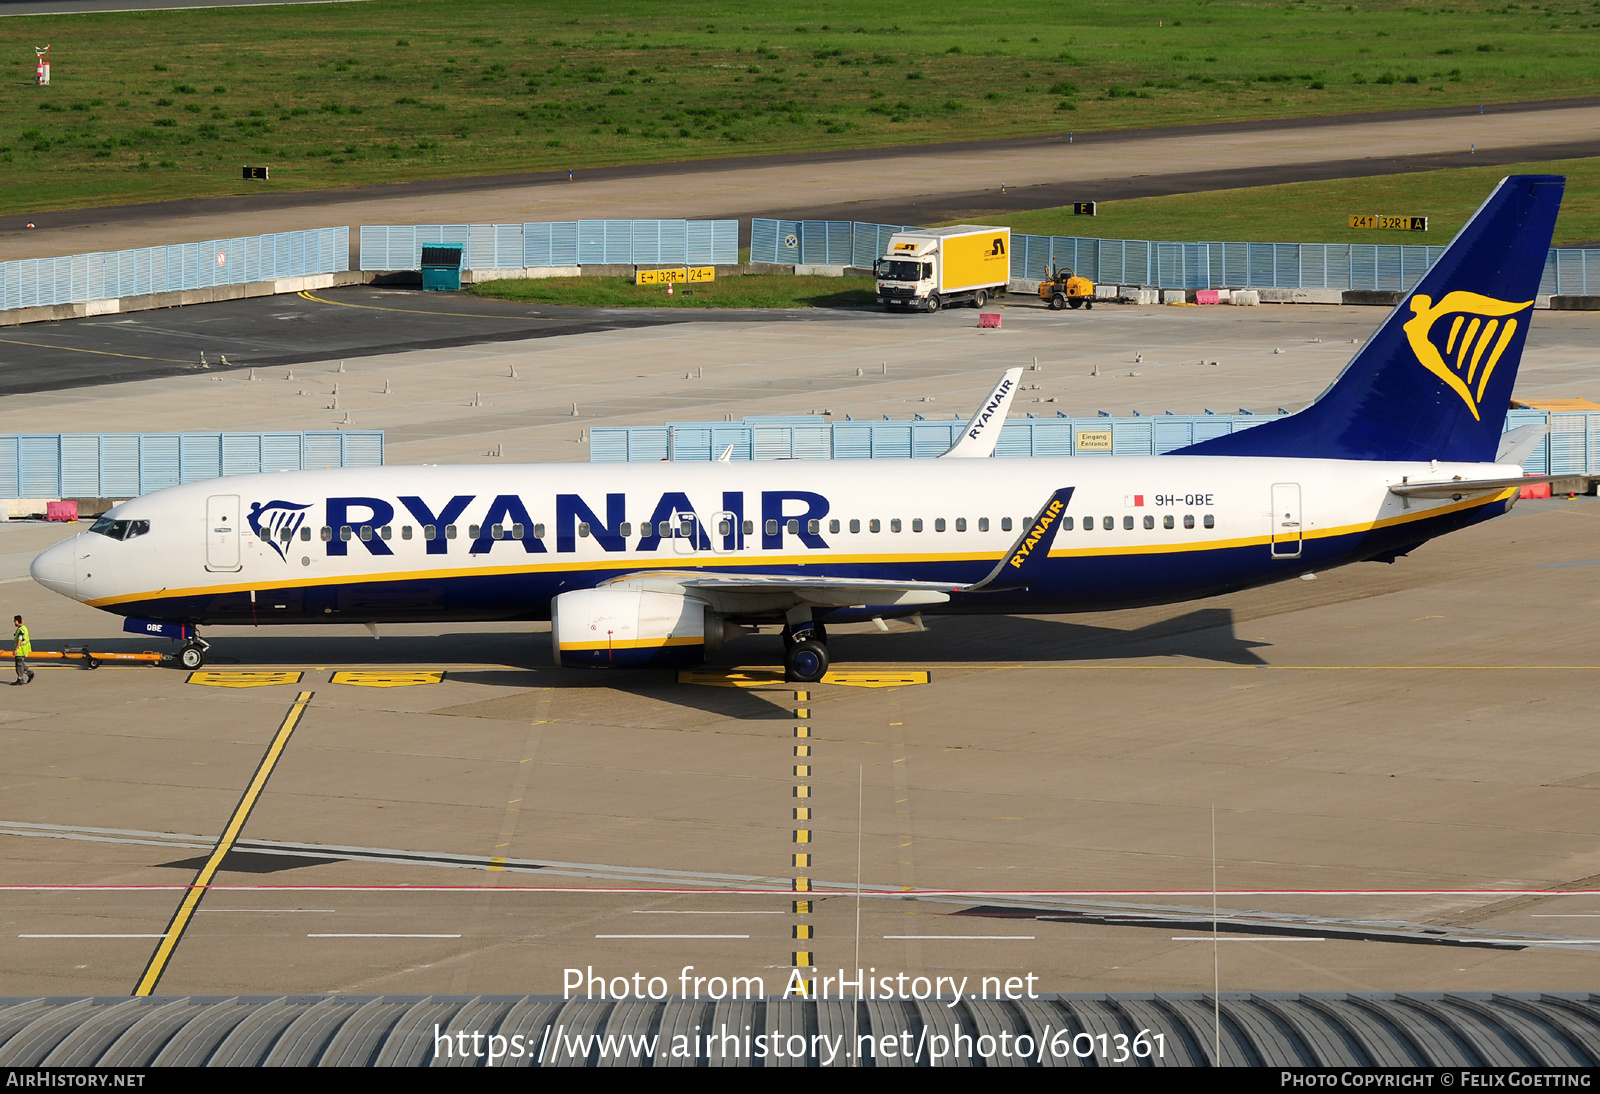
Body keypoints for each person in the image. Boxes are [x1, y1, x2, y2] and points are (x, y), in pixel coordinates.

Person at [12, 615, 33, 685]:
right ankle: (30, 673)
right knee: (21, 663)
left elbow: (20, 639)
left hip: (21, 650)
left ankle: (20, 679)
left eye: (14, 621)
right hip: (24, 649)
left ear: (16, 621)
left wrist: (16, 649)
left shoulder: (21, 630)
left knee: (19, 665)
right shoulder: (24, 628)